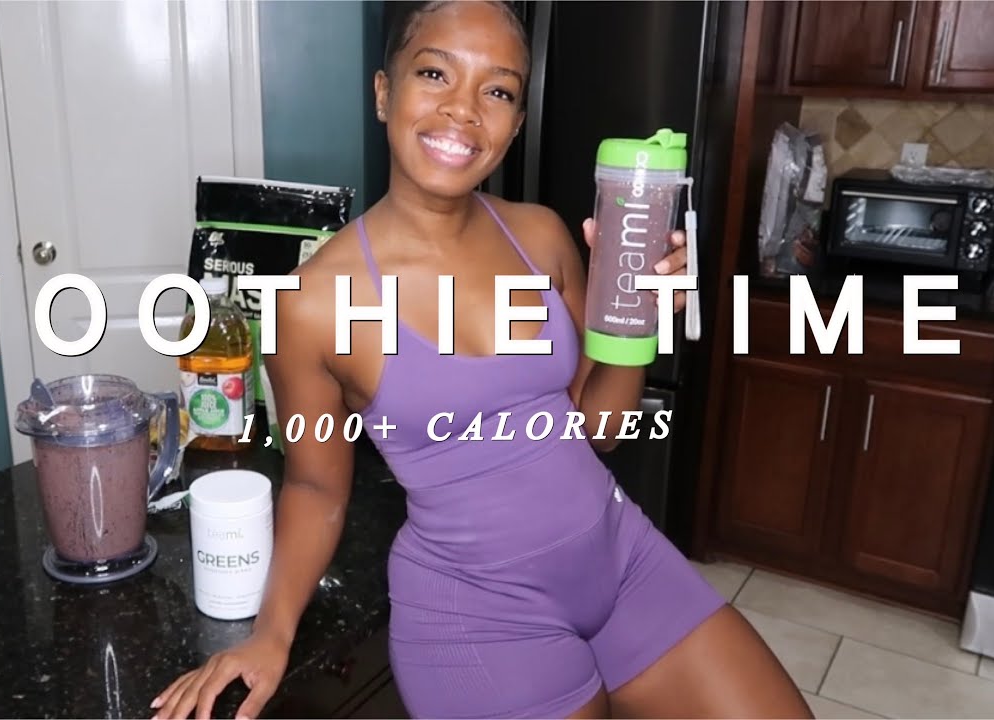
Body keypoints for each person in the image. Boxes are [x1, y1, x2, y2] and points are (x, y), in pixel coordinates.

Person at [152, 2, 811, 718]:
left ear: (517, 121)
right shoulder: (312, 303)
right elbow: (315, 486)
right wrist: (271, 633)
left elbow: (598, 429)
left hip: (623, 563)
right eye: (435, 74)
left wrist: (635, 315)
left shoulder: (542, 237)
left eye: (497, 89)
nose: (463, 110)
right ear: (384, 92)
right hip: (480, 618)